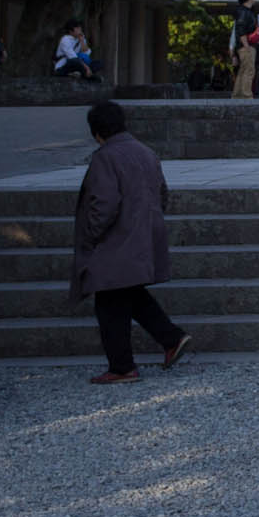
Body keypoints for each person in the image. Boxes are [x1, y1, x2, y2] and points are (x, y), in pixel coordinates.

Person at [72, 100, 190, 383]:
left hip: (117, 239)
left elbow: (104, 203)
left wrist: (90, 234)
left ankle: (122, 366)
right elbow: (163, 193)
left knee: (109, 302)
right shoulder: (146, 152)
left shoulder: (105, 157)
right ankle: (171, 337)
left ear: (98, 132)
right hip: (144, 233)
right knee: (130, 294)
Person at [229, 0, 259, 98]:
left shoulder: (244, 11)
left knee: (243, 70)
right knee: (249, 70)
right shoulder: (244, 12)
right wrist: (246, 46)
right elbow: (241, 30)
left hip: (244, 46)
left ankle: (237, 95)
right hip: (246, 46)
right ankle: (246, 95)